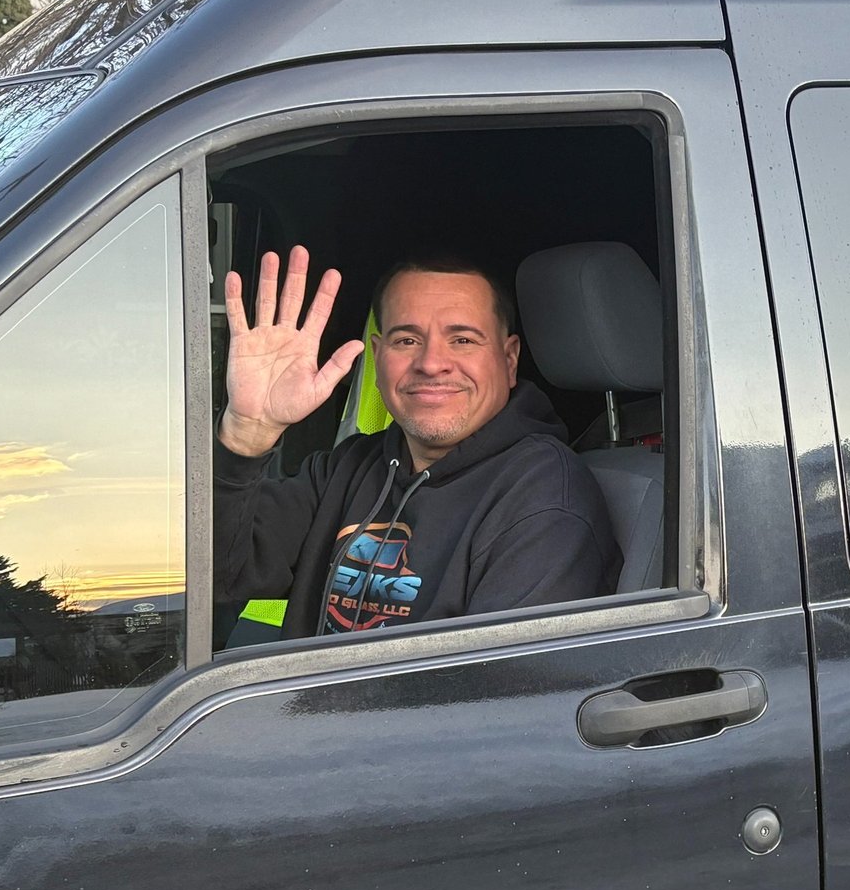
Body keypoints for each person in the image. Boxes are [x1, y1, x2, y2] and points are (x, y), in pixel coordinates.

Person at [215, 246, 620, 639]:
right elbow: (219, 578)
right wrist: (246, 434)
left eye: (462, 340)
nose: (430, 363)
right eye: (406, 340)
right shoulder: (350, 466)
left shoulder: (546, 499)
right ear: (378, 356)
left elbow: (498, 694)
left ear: (509, 359)